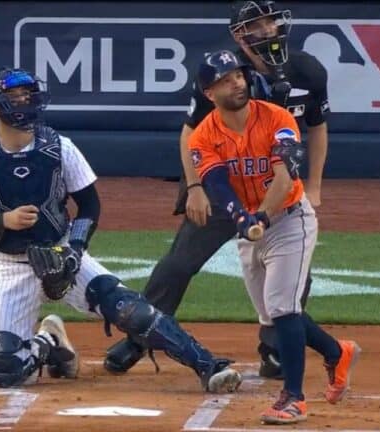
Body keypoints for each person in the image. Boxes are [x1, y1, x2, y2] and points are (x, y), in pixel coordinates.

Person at [0, 67, 243, 393]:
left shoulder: (59, 147)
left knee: (132, 311)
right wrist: (2, 220)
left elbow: (89, 205)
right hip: (13, 265)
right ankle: (49, 342)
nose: (24, 102)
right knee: (5, 368)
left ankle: (207, 365)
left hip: (62, 250)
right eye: (14, 97)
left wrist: (74, 250)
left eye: (27, 94)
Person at [104, 0, 330, 380]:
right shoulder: (222, 75)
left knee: (293, 272)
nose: (269, 29)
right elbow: (192, 132)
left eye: (271, 21)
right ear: (241, 38)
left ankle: (275, 349)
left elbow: (318, 127)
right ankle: (142, 336)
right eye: (258, 25)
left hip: (276, 190)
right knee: (178, 263)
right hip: (223, 184)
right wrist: (194, 185)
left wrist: (315, 186)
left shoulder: (308, 71)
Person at [188, 49, 359, 424]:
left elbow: (286, 176)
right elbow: (217, 185)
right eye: (224, 79)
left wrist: (262, 215)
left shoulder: (277, 118)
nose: (236, 82)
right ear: (208, 93)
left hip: (289, 218)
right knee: (273, 315)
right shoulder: (202, 137)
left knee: (282, 306)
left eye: (237, 75)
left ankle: (293, 398)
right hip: (251, 225)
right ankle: (336, 352)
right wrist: (241, 217)